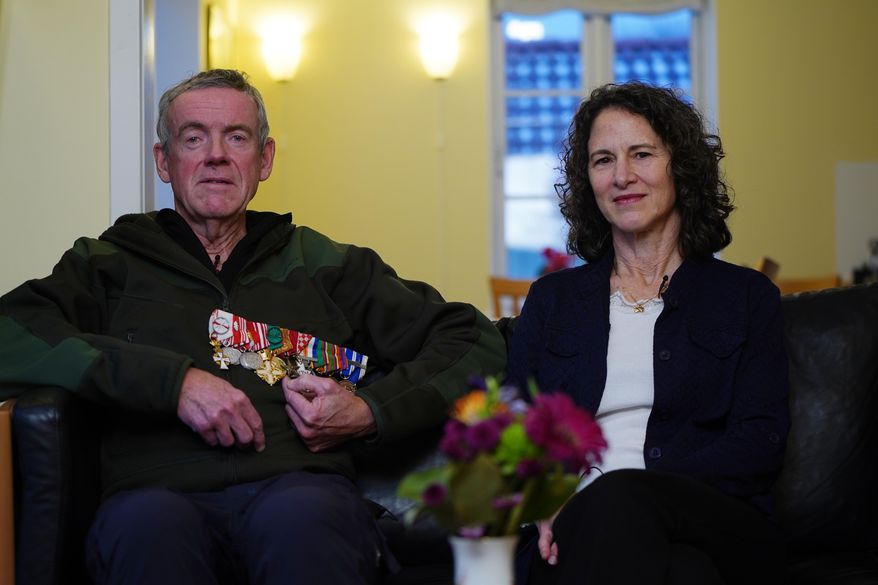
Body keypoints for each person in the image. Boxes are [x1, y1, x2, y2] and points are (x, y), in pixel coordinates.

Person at [0, 69, 505, 585]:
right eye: (193, 138)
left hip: (300, 492)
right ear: (163, 161)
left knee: (303, 521)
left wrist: (371, 410)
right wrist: (172, 383)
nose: (215, 155)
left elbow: (471, 338)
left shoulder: (323, 264)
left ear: (263, 160)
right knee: (147, 529)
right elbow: (9, 333)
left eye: (235, 137)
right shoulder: (107, 264)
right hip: (154, 498)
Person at [506, 81, 790, 585]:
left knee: (619, 498)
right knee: (684, 575)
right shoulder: (552, 300)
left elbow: (758, 440)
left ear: (678, 165)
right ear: (587, 181)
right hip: (577, 526)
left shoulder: (747, 297)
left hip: (712, 515)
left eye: (641, 154)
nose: (623, 176)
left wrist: (636, 489)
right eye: (602, 160)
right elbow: (515, 422)